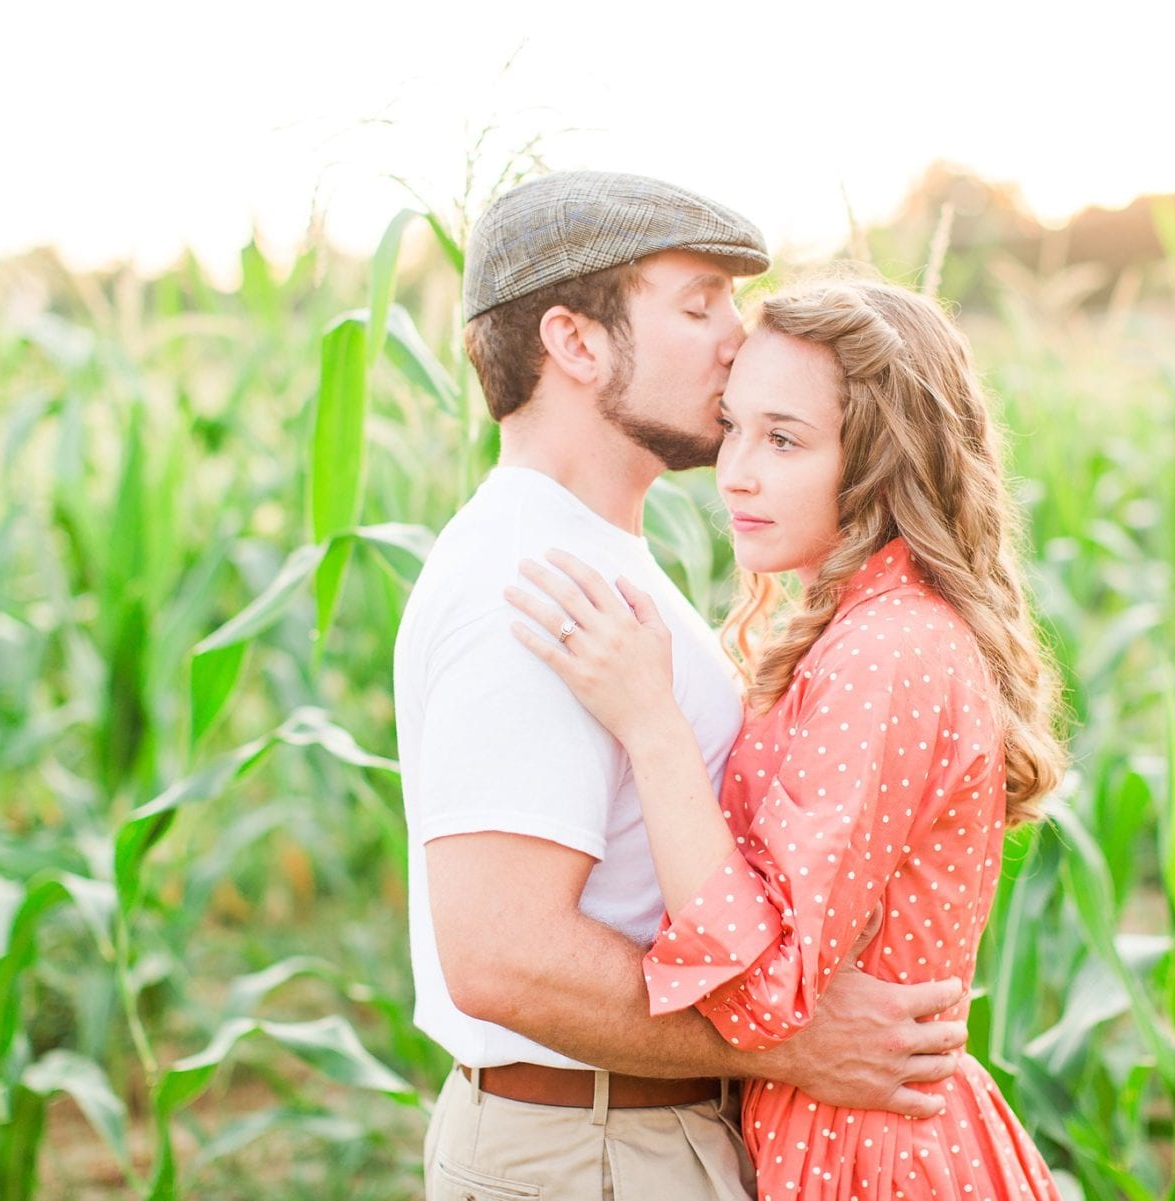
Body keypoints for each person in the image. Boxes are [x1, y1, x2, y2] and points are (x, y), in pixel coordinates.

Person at [395, 173, 974, 1201]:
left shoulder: (604, 556)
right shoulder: (531, 589)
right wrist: (784, 1045)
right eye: (700, 303)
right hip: (591, 1153)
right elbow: (501, 954)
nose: (735, 337)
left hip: (626, 1140)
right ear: (577, 343)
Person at [506, 276, 1069, 1200]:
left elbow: (765, 989)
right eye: (731, 426)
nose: (735, 471)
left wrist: (651, 723)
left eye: (783, 438)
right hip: (842, 1135)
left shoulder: (887, 649)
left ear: (881, 461)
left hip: (873, 1155)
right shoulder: (859, 625)